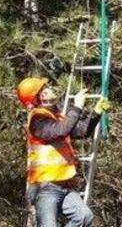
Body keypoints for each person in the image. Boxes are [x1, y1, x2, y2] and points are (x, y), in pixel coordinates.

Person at [16, 77, 109, 227]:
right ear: (41, 96)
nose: (49, 88)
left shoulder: (56, 117)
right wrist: (77, 106)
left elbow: (81, 131)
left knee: (84, 217)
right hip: (44, 187)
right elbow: (61, 130)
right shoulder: (37, 119)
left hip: (64, 185)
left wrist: (96, 113)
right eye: (44, 88)